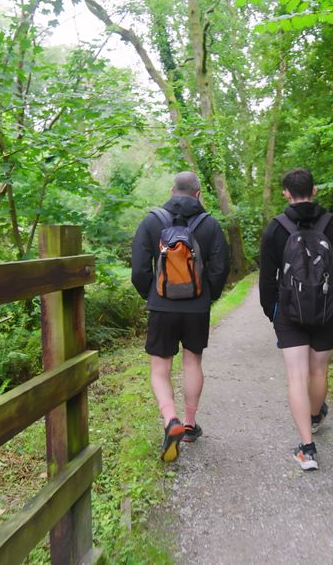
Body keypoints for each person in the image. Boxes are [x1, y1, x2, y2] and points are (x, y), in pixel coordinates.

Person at [259, 167, 333, 471]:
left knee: (297, 376)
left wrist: (274, 312)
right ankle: (314, 416)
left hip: (290, 313)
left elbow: (267, 280)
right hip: (327, 312)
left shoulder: (276, 229)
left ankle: (307, 449)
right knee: (319, 370)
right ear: (314, 190)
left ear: (286, 193)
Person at [132, 171, 230, 463]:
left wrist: (152, 295)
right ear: (198, 194)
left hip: (162, 307)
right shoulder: (210, 224)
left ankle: (169, 418)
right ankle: (188, 423)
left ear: (171, 191)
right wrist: (207, 296)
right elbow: (220, 268)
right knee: (192, 362)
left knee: (160, 367)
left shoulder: (152, 221)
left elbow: (139, 270)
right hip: (196, 308)